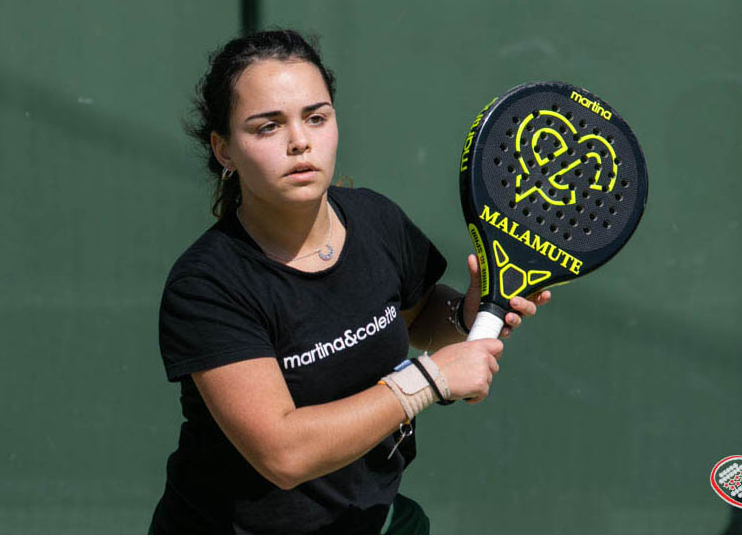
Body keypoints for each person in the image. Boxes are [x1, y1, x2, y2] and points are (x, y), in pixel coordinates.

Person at [149, 29, 551, 534]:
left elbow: (414, 319)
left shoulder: (376, 220)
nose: (300, 141)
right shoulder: (207, 286)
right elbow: (283, 453)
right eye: (268, 126)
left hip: (371, 519)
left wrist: (466, 315)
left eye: (316, 118)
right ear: (224, 150)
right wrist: (428, 380)